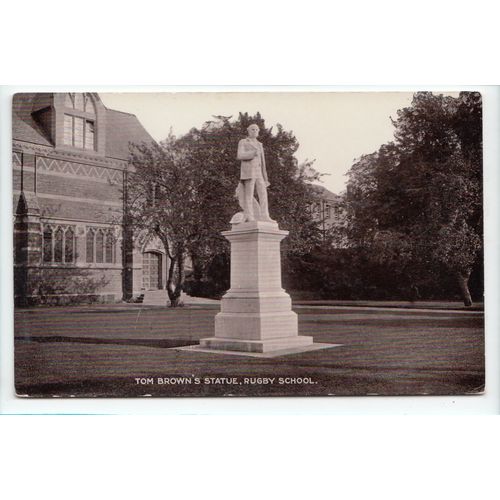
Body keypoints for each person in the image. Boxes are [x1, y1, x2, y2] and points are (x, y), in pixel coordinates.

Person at [236, 123, 274, 222]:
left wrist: (265, 177)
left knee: (263, 193)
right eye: (253, 129)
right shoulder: (243, 141)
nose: (255, 131)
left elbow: (263, 162)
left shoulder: (259, 144)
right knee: (249, 194)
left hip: (259, 172)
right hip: (248, 171)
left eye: (257, 130)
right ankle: (250, 215)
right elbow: (240, 155)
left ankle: (265, 215)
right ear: (248, 130)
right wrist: (252, 153)